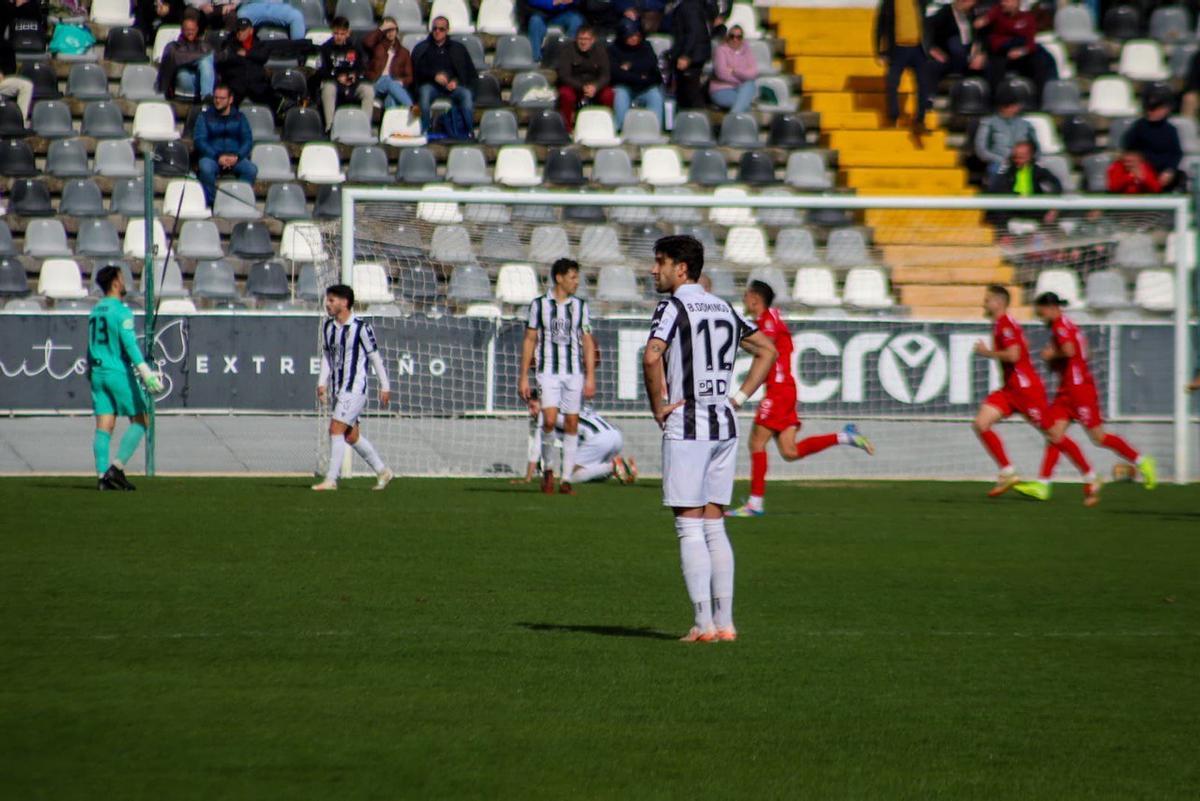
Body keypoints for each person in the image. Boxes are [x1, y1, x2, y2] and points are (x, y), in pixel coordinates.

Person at [643, 235, 777, 643]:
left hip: (689, 421)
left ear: (681, 268)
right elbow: (767, 351)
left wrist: (658, 406)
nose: (654, 270)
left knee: (688, 526)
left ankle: (701, 625)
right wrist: (737, 398)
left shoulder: (672, 305)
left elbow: (652, 355)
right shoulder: (721, 306)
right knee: (715, 526)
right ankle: (726, 623)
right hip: (723, 420)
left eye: (660, 262)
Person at [726, 281, 875, 518]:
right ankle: (846, 436)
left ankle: (755, 503)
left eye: (745, 296)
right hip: (782, 391)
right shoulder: (767, 321)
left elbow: (763, 348)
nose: (744, 301)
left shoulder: (769, 320)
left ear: (755, 298)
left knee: (756, 443)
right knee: (790, 451)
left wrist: (733, 336)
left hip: (779, 391)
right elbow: (759, 347)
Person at [1014, 292, 1157, 502]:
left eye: (1041, 311)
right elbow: (1086, 352)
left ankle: (1142, 460)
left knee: (1098, 437)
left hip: (1079, 391)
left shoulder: (1060, 327)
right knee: (1053, 434)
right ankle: (1045, 484)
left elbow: (1070, 350)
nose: (1040, 315)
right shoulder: (1070, 325)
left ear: (1050, 308)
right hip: (1068, 390)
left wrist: (1052, 355)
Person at [971, 285, 1097, 503]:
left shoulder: (1006, 325)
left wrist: (986, 353)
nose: (984, 304)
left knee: (1054, 436)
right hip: (1010, 389)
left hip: (1025, 391)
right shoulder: (1004, 324)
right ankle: (1008, 472)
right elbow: (1022, 347)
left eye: (987, 300)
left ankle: (1090, 476)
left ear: (999, 303)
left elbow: (1013, 355)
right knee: (981, 423)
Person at [518, 258, 597, 495]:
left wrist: (590, 376)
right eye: (573, 277)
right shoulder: (539, 305)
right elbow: (530, 339)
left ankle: (566, 478)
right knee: (550, 421)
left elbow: (587, 341)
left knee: (572, 423)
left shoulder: (581, 306)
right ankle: (549, 469)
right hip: (547, 372)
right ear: (559, 278)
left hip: (573, 373)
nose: (577, 282)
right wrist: (523, 376)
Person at [88, 265, 165, 492]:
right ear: (115, 283)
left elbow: (89, 346)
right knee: (142, 419)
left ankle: (103, 476)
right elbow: (130, 345)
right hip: (115, 371)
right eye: (122, 278)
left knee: (104, 425)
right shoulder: (121, 312)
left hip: (97, 372)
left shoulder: (95, 311)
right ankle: (116, 468)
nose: (124, 283)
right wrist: (147, 374)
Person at [312, 284, 394, 492]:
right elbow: (328, 358)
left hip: (355, 388)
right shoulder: (328, 327)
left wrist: (385, 385)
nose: (327, 304)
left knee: (335, 429)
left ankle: (331, 479)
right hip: (339, 389)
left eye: (332, 300)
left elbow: (375, 357)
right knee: (351, 436)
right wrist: (322, 382)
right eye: (327, 300)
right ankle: (383, 471)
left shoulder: (361, 327)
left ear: (345, 302)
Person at [519, 391, 638, 485]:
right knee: (587, 472)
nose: (531, 412)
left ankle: (612, 466)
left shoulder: (546, 414)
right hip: (616, 435)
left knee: (568, 476)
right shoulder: (568, 404)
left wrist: (528, 478)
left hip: (598, 439)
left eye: (532, 406)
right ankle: (624, 468)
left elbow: (536, 448)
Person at [977, 0, 1056, 105]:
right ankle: (994, 102)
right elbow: (983, 26)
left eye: (1008, 1)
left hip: (1021, 52)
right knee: (993, 67)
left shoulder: (1027, 18)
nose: (1004, 3)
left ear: (1017, 3)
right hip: (1000, 51)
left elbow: (1030, 44)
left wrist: (1021, 52)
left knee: (1042, 59)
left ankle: (1039, 101)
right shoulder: (996, 13)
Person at [411, 16, 477, 135]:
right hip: (431, 86)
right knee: (424, 93)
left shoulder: (458, 48)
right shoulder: (423, 48)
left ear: (447, 30)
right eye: (435, 28)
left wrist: (456, 81)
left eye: (441, 29)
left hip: (453, 87)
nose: (437, 32)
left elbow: (468, 72)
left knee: (466, 94)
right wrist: (434, 76)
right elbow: (417, 71)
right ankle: (425, 129)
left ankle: (469, 130)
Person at [193, 83, 256, 207]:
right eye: (216, 98)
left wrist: (237, 156)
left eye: (222, 98)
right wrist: (217, 157)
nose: (217, 101)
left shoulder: (240, 117)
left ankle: (239, 201)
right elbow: (200, 141)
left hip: (235, 157)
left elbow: (247, 140)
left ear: (230, 99)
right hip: (213, 157)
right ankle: (212, 202)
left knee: (251, 170)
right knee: (205, 167)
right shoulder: (204, 117)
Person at [874, 0, 930, 134]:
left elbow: (929, 23)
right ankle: (893, 116)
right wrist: (879, 51)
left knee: (923, 83)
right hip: (898, 48)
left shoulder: (920, 2)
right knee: (892, 81)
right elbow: (880, 26)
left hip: (918, 48)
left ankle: (920, 120)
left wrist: (930, 47)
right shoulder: (889, 3)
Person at [313, 17, 374, 132]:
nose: (339, 37)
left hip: (352, 83)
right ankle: (330, 127)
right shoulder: (326, 48)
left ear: (347, 33)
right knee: (328, 88)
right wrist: (337, 77)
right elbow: (322, 71)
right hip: (334, 83)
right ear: (332, 32)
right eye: (336, 33)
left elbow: (361, 67)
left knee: (368, 90)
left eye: (342, 34)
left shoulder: (355, 46)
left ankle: (366, 127)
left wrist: (354, 75)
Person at [1122, 88, 1184, 192]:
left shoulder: (1170, 130)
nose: (1153, 112)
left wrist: (1169, 171)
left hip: (1164, 173)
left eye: (1157, 108)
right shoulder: (1138, 128)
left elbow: (1176, 153)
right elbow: (1129, 151)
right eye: (1150, 108)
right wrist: (1141, 171)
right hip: (1143, 172)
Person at [985, 141, 1060, 226]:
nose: (1017, 160)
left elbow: (1056, 187)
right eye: (1015, 157)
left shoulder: (1039, 170)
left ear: (1030, 156)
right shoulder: (1006, 171)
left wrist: (1053, 209)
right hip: (1012, 216)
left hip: (1035, 214)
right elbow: (998, 198)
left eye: (1021, 157)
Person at [608, 17, 663, 131]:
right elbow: (616, 73)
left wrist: (630, 66)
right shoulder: (614, 49)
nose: (634, 38)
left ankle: (655, 129)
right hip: (625, 86)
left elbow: (651, 64)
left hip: (645, 86)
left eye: (636, 35)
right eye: (630, 36)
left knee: (656, 95)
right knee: (621, 95)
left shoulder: (646, 46)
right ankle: (620, 129)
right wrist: (639, 76)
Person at [556, 26, 612, 132]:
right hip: (574, 86)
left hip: (595, 87)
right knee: (565, 94)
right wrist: (582, 87)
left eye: (586, 39)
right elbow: (564, 75)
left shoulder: (600, 51)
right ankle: (566, 129)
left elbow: (605, 75)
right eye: (580, 39)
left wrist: (596, 86)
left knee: (608, 95)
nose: (583, 42)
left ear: (593, 40)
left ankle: (605, 126)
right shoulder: (568, 50)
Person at [974, 88, 1035, 179]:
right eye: (1012, 106)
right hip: (999, 162)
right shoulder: (989, 123)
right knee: (998, 171)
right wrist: (1001, 160)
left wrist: (1028, 159)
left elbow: (1036, 147)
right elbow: (981, 150)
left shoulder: (1026, 125)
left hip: (1024, 163)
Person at [924, 0, 985, 88]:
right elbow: (928, 30)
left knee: (988, 63)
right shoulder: (945, 13)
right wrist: (931, 49)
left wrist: (980, 53)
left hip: (969, 54)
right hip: (949, 56)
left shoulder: (973, 14)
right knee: (954, 44)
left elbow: (979, 37)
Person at [156, 11, 215, 101]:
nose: (190, 32)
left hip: (200, 81)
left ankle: (207, 98)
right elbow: (177, 58)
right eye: (187, 29)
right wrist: (201, 57)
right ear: (182, 30)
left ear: (197, 29)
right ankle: (207, 98)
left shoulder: (203, 46)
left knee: (207, 61)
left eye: (193, 29)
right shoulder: (173, 46)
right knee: (185, 74)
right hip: (181, 82)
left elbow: (215, 57)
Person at [214, 18, 272, 106]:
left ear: (251, 31)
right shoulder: (229, 44)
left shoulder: (259, 44)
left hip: (256, 85)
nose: (240, 32)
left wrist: (247, 53)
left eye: (243, 30)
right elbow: (226, 58)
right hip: (235, 86)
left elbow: (263, 56)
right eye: (238, 29)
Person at [363, 17, 414, 110]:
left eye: (393, 29)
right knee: (390, 82)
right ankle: (412, 107)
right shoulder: (376, 47)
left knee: (391, 99)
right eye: (387, 30)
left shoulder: (404, 52)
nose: (390, 32)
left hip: (394, 86)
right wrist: (381, 28)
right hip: (376, 83)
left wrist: (400, 82)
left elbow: (409, 77)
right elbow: (366, 42)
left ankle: (390, 123)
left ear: (397, 30)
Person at [670, 0, 711, 110]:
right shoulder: (689, 5)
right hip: (692, 54)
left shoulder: (689, 6)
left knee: (690, 94)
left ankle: (697, 121)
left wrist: (685, 55)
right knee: (686, 94)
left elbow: (693, 32)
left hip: (691, 57)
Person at [709, 25, 758, 114]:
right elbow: (721, 73)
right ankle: (734, 119)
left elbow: (753, 73)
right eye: (732, 36)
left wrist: (735, 71)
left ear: (742, 38)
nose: (735, 39)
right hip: (722, 90)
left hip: (742, 89)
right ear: (728, 37)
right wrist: (743, 78)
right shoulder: (721, 50)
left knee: (750, 84)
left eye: (739, 37)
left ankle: (732, 118)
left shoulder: (747, 51)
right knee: (745, 105)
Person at [524, 0, 585, 64]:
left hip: (562, 14)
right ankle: (535, 59)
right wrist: (552, 2)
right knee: (535, 22)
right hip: (541, 14)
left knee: (576, 20)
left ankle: (569, 56)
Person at [0, 39, 33, 120]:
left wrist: (2, 73)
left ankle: (19, 122)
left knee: (26, 85)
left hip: (2, 80)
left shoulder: (5, 45)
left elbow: (11, 67)